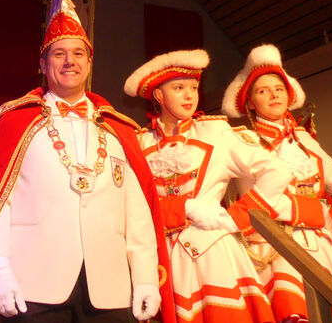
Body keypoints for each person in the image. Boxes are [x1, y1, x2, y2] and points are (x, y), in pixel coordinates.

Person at [0, 0, 175, 323]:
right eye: (59, 53)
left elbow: (138, 213)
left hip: (111, 289)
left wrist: (145, 277)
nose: (70, 61)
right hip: (32, 286)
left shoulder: (119, 129)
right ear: (42, 64)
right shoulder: (14, 123)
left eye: (78, 53)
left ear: (90, 62)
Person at [222, 44, 332, 322]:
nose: (273, 95)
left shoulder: (303, 139)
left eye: (278, 89)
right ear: (251, 103)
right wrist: (316, 213)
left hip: (320, 246)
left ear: (288, 94)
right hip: (274, 250)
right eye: (263, 91)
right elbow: (256, 201)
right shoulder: (245, 141)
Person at [124, 48, 292, 323]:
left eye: (193, 88)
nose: (189, 96)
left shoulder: (215, 132)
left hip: (213, 257)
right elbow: (132, 207)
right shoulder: (139, 143)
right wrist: (184, 207)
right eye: (179, 88)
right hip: (160, 260)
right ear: (158, 95)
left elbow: (276, 171)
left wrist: (238, 217)